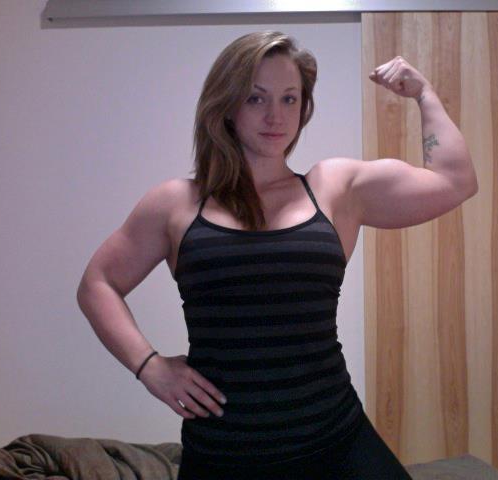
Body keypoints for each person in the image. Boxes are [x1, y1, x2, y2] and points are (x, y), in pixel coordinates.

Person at [76, 31, 477, 480]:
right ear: (227, 104)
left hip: (337, 441)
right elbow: (98, 284)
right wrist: (149, 366)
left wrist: (424, 94)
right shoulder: (176, 204)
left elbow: (455, 181)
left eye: (290, 99)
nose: (275, 115)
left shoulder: (334, 188)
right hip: (224, 455)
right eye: (256, 98)